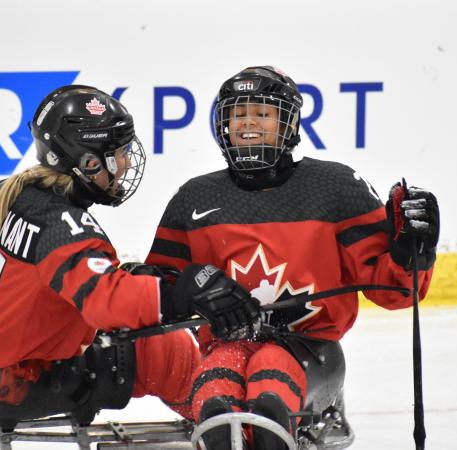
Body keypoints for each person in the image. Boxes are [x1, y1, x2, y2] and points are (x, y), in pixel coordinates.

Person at [144, 66, 440, 449]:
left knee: (269, 392)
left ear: (289, 124)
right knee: (216, 403)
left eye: (263, 114)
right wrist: (181, 287)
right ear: (222, 124)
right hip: (225, 348)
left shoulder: (335, 188)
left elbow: (395, 293)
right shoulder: (194, 198)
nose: (248, 123)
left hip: (310, 351)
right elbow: (158, 290)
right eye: (238, 114)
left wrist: (412, 252)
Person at [0, 85, 260, 432]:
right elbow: (105, 304)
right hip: (17, 385)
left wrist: (128, 283)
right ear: (87, 163)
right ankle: (236, 430)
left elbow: (5, 271)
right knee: (166, 352)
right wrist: (179, 294)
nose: (125, 163)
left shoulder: (8, 192)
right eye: (117, 153)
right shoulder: (65, 228)